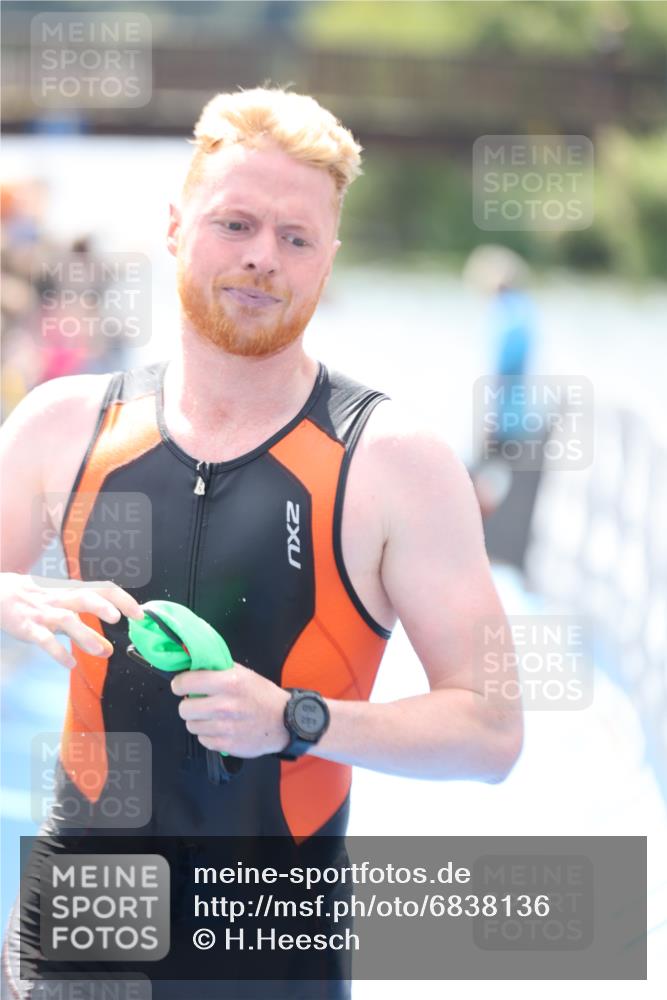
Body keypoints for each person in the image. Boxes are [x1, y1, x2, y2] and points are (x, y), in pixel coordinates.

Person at [0, 88, 523, 999]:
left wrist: (294, 719)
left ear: (328, 260)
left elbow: (491, 731)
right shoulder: (63, 424)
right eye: (235, 223)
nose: (262, 258)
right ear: (174, 228)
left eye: (296, 237)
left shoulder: (394, 462)